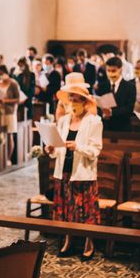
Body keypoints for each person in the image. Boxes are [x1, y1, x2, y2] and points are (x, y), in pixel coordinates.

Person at [45, 73, 102, 259]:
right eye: (71, 99)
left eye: (77, 99)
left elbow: (95, 150)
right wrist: (50, 149)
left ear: (84, 101)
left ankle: (88, 243)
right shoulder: (63, 121)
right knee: (67, 210)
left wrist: (78, 147)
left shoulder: (94, 121)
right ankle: (67, 241)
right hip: (64, 171)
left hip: (83, 172)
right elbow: (57, 149)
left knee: (85, 211)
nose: (73, 103)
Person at [97, 56, 136, 132]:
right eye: (108, 71)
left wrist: (111, 112)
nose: (111, 74)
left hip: (123, 127)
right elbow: (98, 107)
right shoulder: (102, 86)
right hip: (105, 127)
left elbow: (129, 109)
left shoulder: (130, 86)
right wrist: (102, 113)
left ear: (120, 69)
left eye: (114, 71)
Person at [0, 65, 20, 164]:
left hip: (10, 111)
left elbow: (18, 99)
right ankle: (1, 157)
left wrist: (6, 100)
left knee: (9, 134)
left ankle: (8, 158)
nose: (0, 75)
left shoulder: (13, 83)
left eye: (2, 73)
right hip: (0, 111)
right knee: (1, 134)